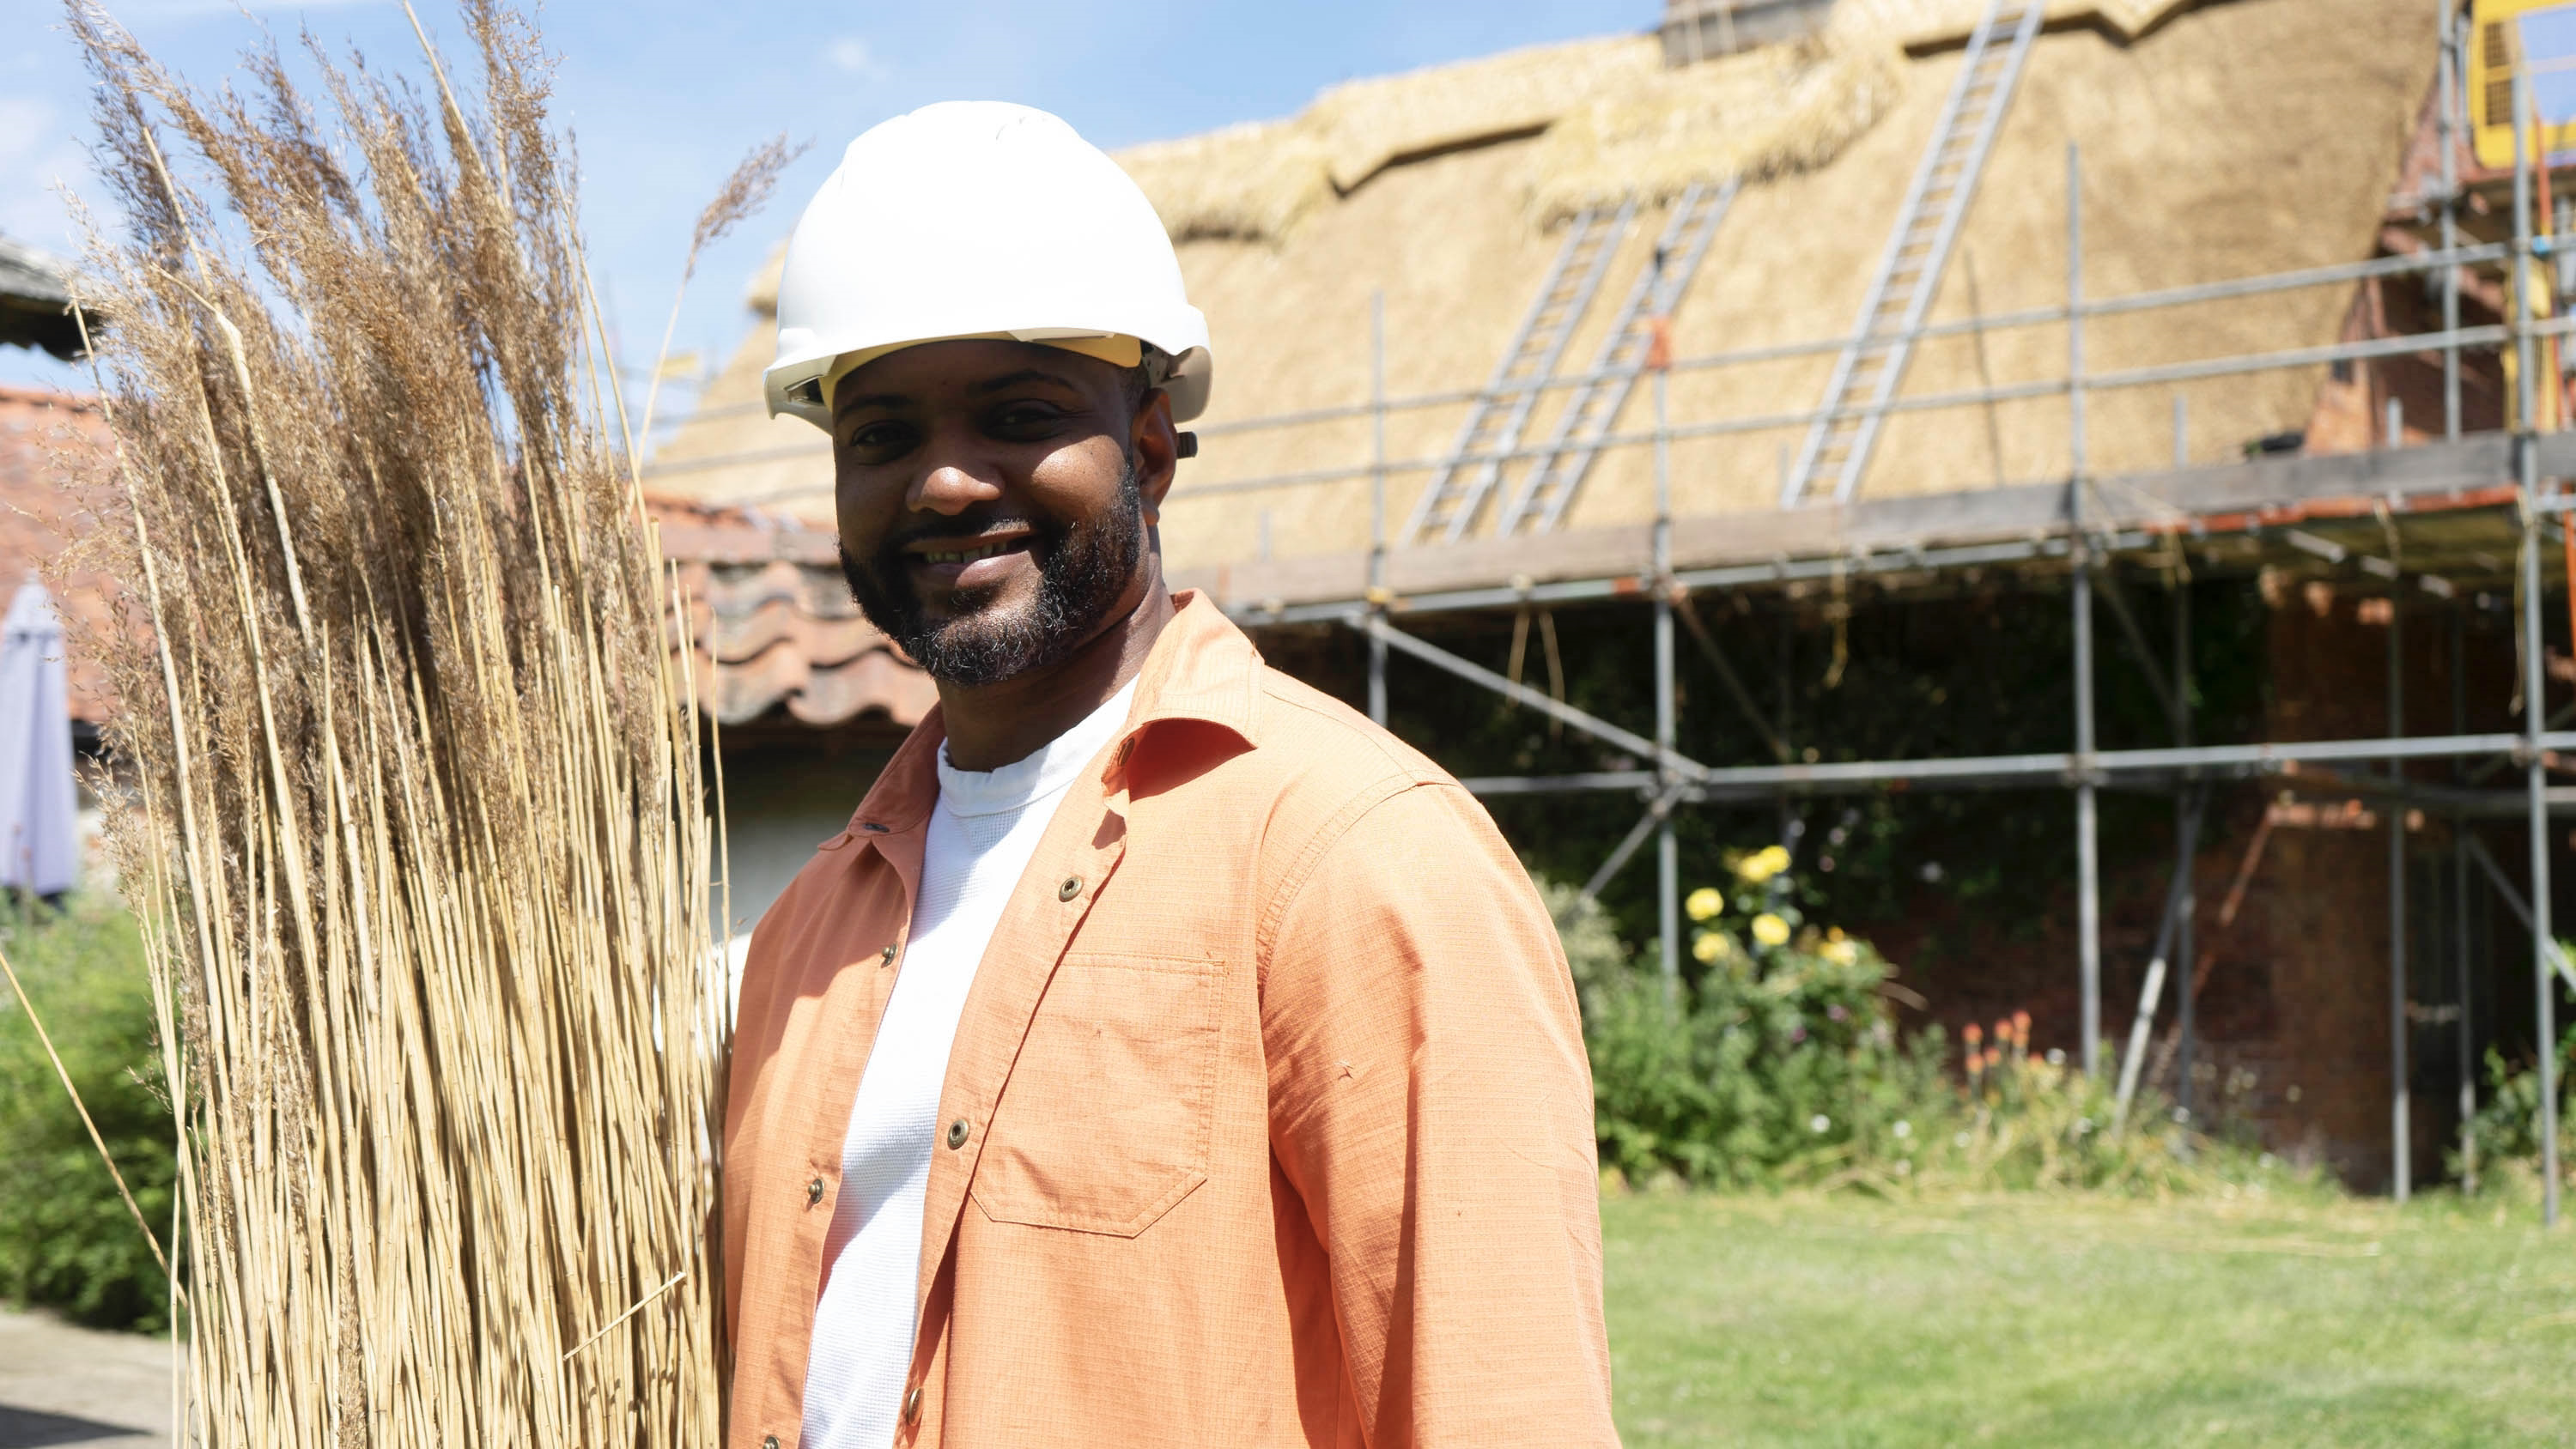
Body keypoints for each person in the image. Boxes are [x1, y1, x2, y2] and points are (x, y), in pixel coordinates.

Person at [725, 101, 1615, 1449]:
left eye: (1020, 414)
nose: (947, 482)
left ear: (1147, 452)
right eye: (882, 435)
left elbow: (1503, 1404)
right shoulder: (807, 935)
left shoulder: (1355, 853)